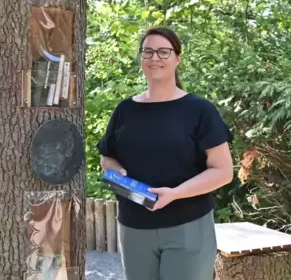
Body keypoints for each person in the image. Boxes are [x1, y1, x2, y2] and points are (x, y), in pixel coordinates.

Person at [97, 26, 233, 280]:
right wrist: (115, 171)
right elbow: (107, 156)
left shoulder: (199, 110)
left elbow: (223, 171)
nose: (154, 58)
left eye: (163, 52)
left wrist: (175, 194)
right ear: (140, 57)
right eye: (147, 52)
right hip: (134, 227)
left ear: (178, 58)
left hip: (188, 227)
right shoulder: (125, 110)